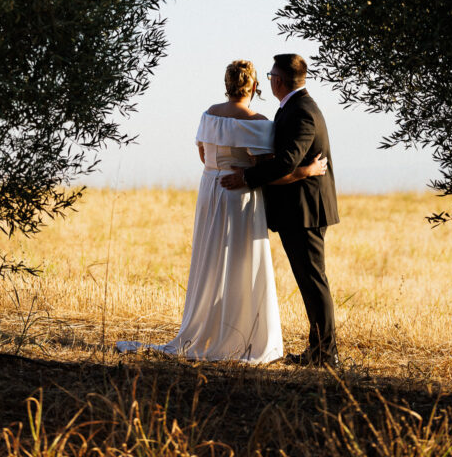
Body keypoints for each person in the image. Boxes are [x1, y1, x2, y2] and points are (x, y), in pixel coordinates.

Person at [116, 59, 326, 363]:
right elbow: (271, 172)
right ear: (254, 86)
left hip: (210, 191)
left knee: (210, 257)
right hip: (240, 198)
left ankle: (204, 328)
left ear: (227, 85)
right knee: (240, 262)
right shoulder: (257, 122)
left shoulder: (208, 116)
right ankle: (240, 333)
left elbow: (204, 156)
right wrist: (307, 171)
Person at [221, 53, 339, 367]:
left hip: (305, 210)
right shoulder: (294, 107)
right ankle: (318, 351)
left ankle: (327, 354)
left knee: (313, 280)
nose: (269, 79)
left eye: (272, 74)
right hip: (298, 209)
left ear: (279, 80)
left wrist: (246, 176)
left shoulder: (301, 111)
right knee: (308, 280)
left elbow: (287, 161)